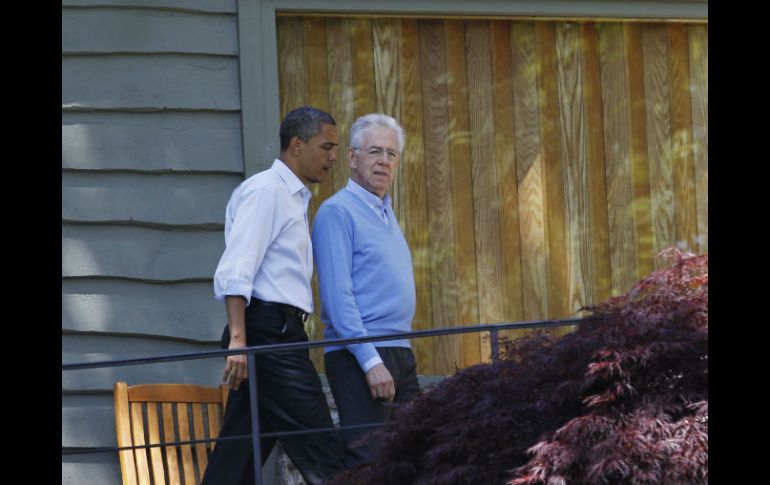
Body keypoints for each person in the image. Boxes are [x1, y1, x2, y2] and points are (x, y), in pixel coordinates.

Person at [202, 106, 346, 485]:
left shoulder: (293, 197)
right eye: (326, 146)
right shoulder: (267, 191)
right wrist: (238, 341)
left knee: (237, 457)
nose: (333, 157)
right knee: (321, 451)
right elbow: (237, 268)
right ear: (296, 145)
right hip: (268, 337)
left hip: (275, 335)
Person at [311, 113, 420, 468]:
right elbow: (337, 297)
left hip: (399, 351)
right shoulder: (337, 212)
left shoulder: (385, 211)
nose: (384, 161)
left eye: (391, 154)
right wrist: (369, 360)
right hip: (362, 354)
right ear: (353, 158)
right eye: (375, 152)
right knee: (366, 460)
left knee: (411, 454)